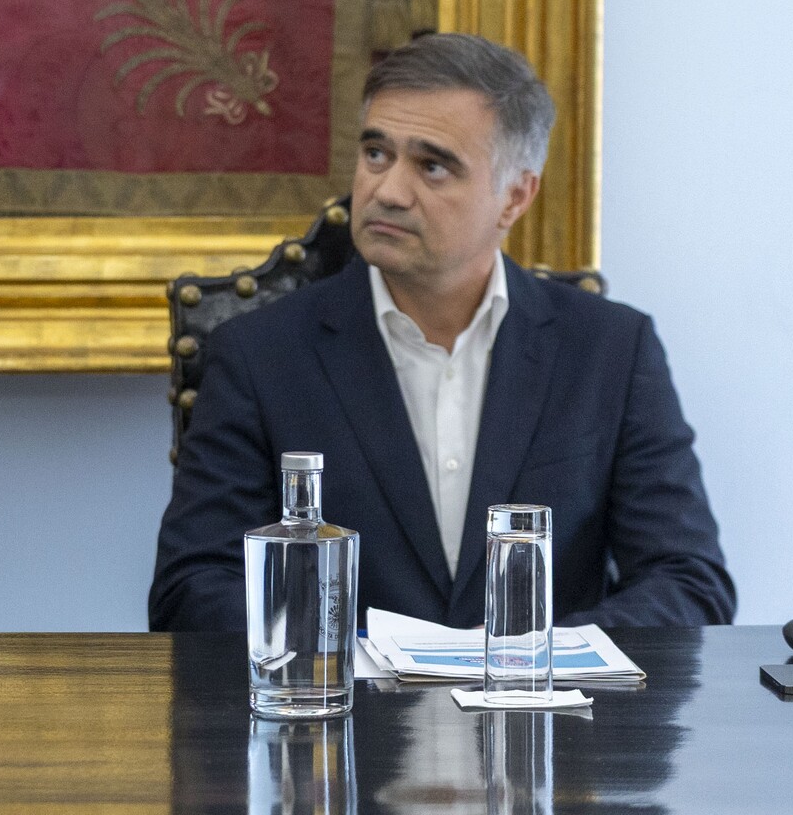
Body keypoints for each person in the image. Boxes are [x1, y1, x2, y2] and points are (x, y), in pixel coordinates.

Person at [150, 34, 735, 631]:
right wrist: (354, 657)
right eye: (376, 154)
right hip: (341, 690)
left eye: (432, 166)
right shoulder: (261, 354)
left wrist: (528, 659)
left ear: (514, 197)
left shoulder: (610, 350)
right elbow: (192, 587)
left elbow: (688, 581)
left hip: (544, 690)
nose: (387, 191)